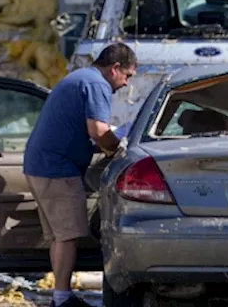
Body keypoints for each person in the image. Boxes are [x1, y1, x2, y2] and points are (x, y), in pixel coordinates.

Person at [24, 43, 138, 307]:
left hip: (41, 164)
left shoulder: (81, 78)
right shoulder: (97, 85)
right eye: (128, 76)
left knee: (60, 236)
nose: (126, 84)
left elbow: (86, 131)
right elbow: (98, 131)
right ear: (115, 68)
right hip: (56, 169)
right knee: (67, 235)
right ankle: (62, 300)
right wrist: (118, 149)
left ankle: (60, 296)